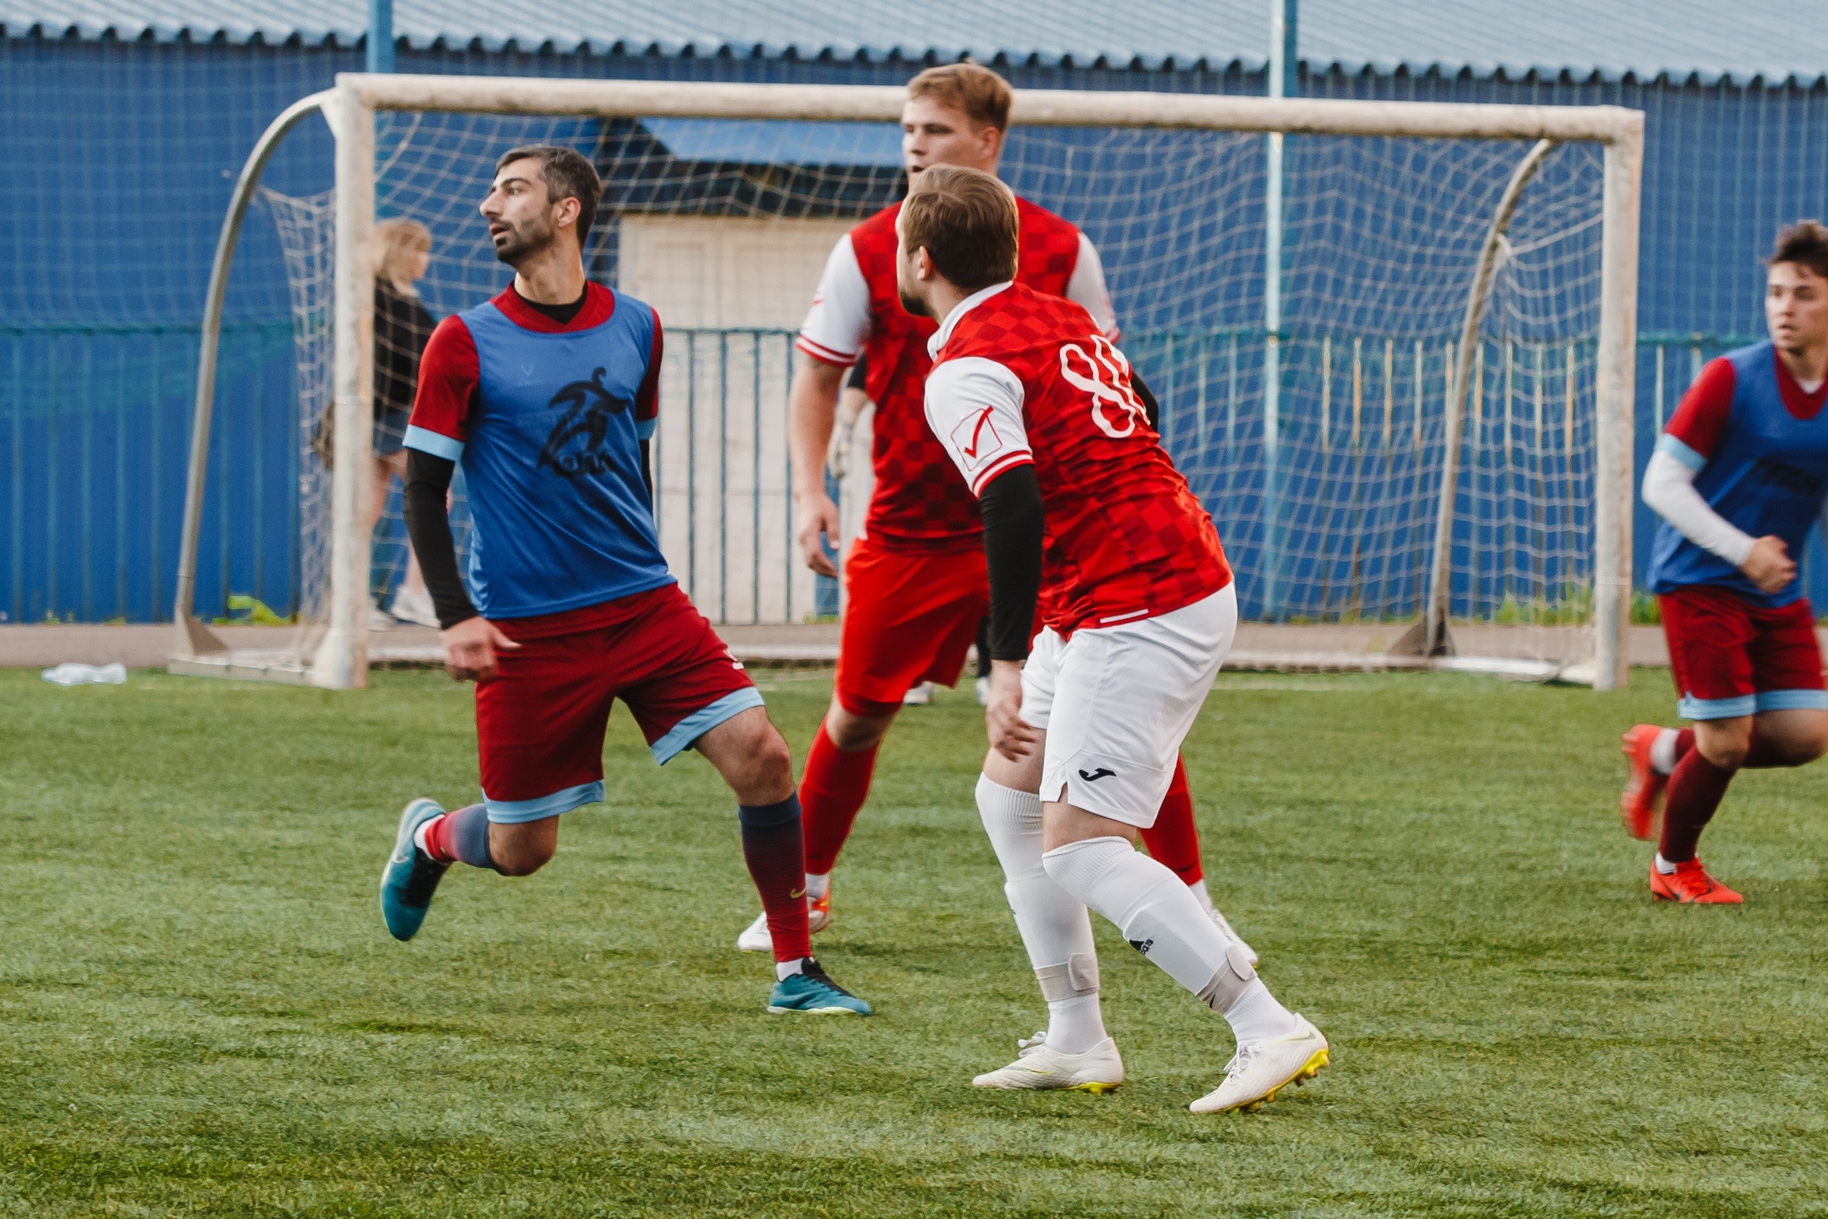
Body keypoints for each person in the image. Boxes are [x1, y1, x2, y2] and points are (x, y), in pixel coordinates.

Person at [741, 62, 1229, 953]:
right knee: (859, 710)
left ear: (987, 141)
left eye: (933, 130)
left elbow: (1118, 388)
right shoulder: (865, 246)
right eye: (907, 131)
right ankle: (806, 888)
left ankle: (1194, 907)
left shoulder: (1060, 249)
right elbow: (818, 374)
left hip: (1042, 530)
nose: (915, 146)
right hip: (914, 523)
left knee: (1106, 710)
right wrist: (812, 489)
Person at [376, 143, 871, 1017]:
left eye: (513, 188)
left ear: (567, 209)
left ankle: (795, 972)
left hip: (645, 605)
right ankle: (428, 838)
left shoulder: (639, 324)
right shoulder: (462, 341)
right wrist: (454, 616)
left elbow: (628, 460)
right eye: (490, 188)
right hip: (526, 627)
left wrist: (641, 560)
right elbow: (423, 485)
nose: (490, 204)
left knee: (763, 756)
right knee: (526, 848)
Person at [904, 165, 1326, 1113]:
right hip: (1127, 584)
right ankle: (1077, 1036)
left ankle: (1264, 1023)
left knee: (1082, 846)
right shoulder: (1058, 314)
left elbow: (1008, 498)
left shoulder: (963, 365)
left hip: (1139, 599)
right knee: (1009, 804)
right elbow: (1138, 402)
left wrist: (1003, 661)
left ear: (919, 258)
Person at [1618, 221, 1828, 905]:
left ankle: (1667, 752)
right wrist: (1742, 548)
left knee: (1804, 735)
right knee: (1727, 742)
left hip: (1772, 587)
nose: (1785, 306)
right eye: (1774, 292)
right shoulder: (1729, 377)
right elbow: (1660, 483)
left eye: (1803, 293)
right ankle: (1675, 867)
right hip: (1700, 580)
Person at [371, 219, 438, 626]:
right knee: (431, 497)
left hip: (393, 417)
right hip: (387, 417)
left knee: (369, 508)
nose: (425, 259)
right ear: (399, 252)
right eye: (419, 250)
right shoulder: (380, 298)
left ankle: (404, 594)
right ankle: (412, 594)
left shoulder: (406, 299)